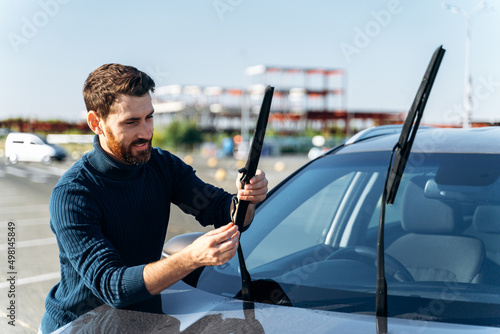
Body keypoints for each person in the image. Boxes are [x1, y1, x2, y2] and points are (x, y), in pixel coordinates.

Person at [40, 63, 268, 333]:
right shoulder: (73, 194)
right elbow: (113, 287)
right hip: (79, 326)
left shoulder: (162, 166)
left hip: (142, 323)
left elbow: (222, 211)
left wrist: (246, 199)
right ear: (96, 123)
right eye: (131, 122)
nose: (146, 132)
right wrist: (190, 258)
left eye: (149, 117)